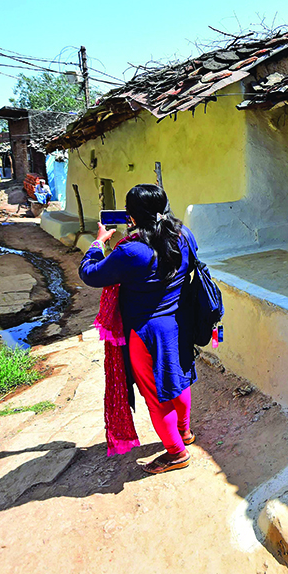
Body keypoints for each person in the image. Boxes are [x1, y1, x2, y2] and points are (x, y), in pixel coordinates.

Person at [79, 184, 199, 474]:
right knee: (178, 380)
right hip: (179, 324)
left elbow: (91, 274)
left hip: (146, 334)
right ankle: (184, 433)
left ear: (131, 215)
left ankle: (175, 454)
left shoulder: (132, 251)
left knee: (156, 396)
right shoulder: (184, 236)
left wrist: (97, 243)